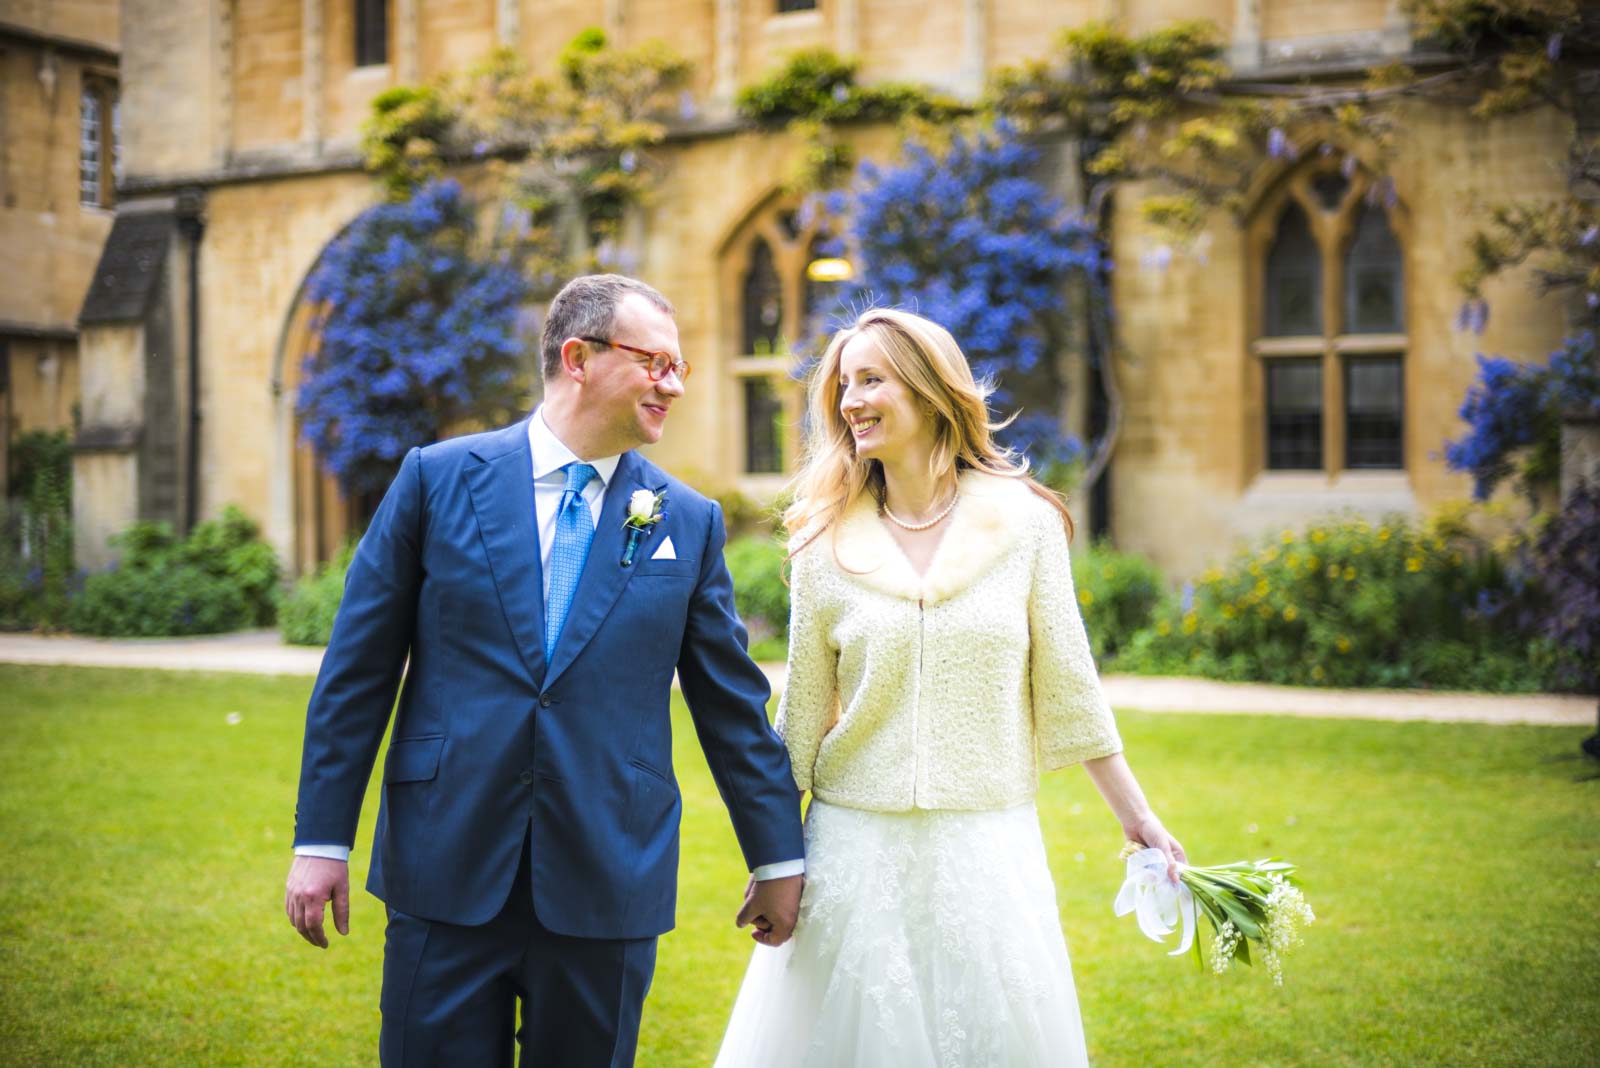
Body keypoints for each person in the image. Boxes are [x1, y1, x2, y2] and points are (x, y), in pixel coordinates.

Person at [284, 274, 806, 1067]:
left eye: (681, 368)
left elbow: (731, 707)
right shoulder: (435, 480)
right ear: (578, 357)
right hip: (445, 860)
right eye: (656, 362)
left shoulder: (686, 522)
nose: (674, 384)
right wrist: (323, 838)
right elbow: (358, 672)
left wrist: (776, 858)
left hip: (607, 874)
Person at [715, 308, 1185, 1067]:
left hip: (987, 850)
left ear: (932, 391)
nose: (849, 401)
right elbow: (799, 723)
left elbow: (1069, 685)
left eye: (871, 379)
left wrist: (1139, 821)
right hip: (854, 856)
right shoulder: (822, 545)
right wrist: (775, 867)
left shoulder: (1025, 527)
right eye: (843, 384)